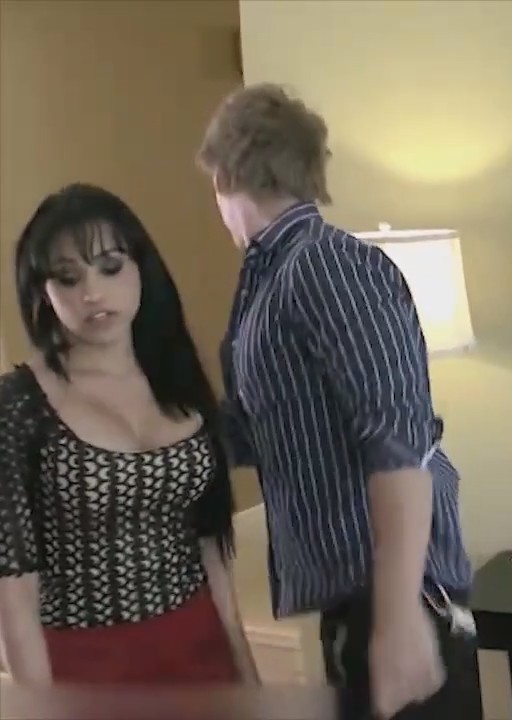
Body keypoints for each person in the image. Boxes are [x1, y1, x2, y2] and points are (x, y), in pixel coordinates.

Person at [195, 83, 479, 720]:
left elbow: (398, 440)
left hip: (395, 598)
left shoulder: (326, 265)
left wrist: (398, 617)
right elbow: (265, 435)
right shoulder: (269, 282)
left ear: (225, 173)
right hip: (357, 603)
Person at [0, 183, 256, 684]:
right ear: (43, 292)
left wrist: (246, 671)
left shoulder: (178, 377)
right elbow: (14, 590)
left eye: (110, 267)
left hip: (200, 645)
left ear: (141, 268)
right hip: (86, 666)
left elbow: (210, 542)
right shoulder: (19, 405)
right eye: (67, 278)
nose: (92, 293)